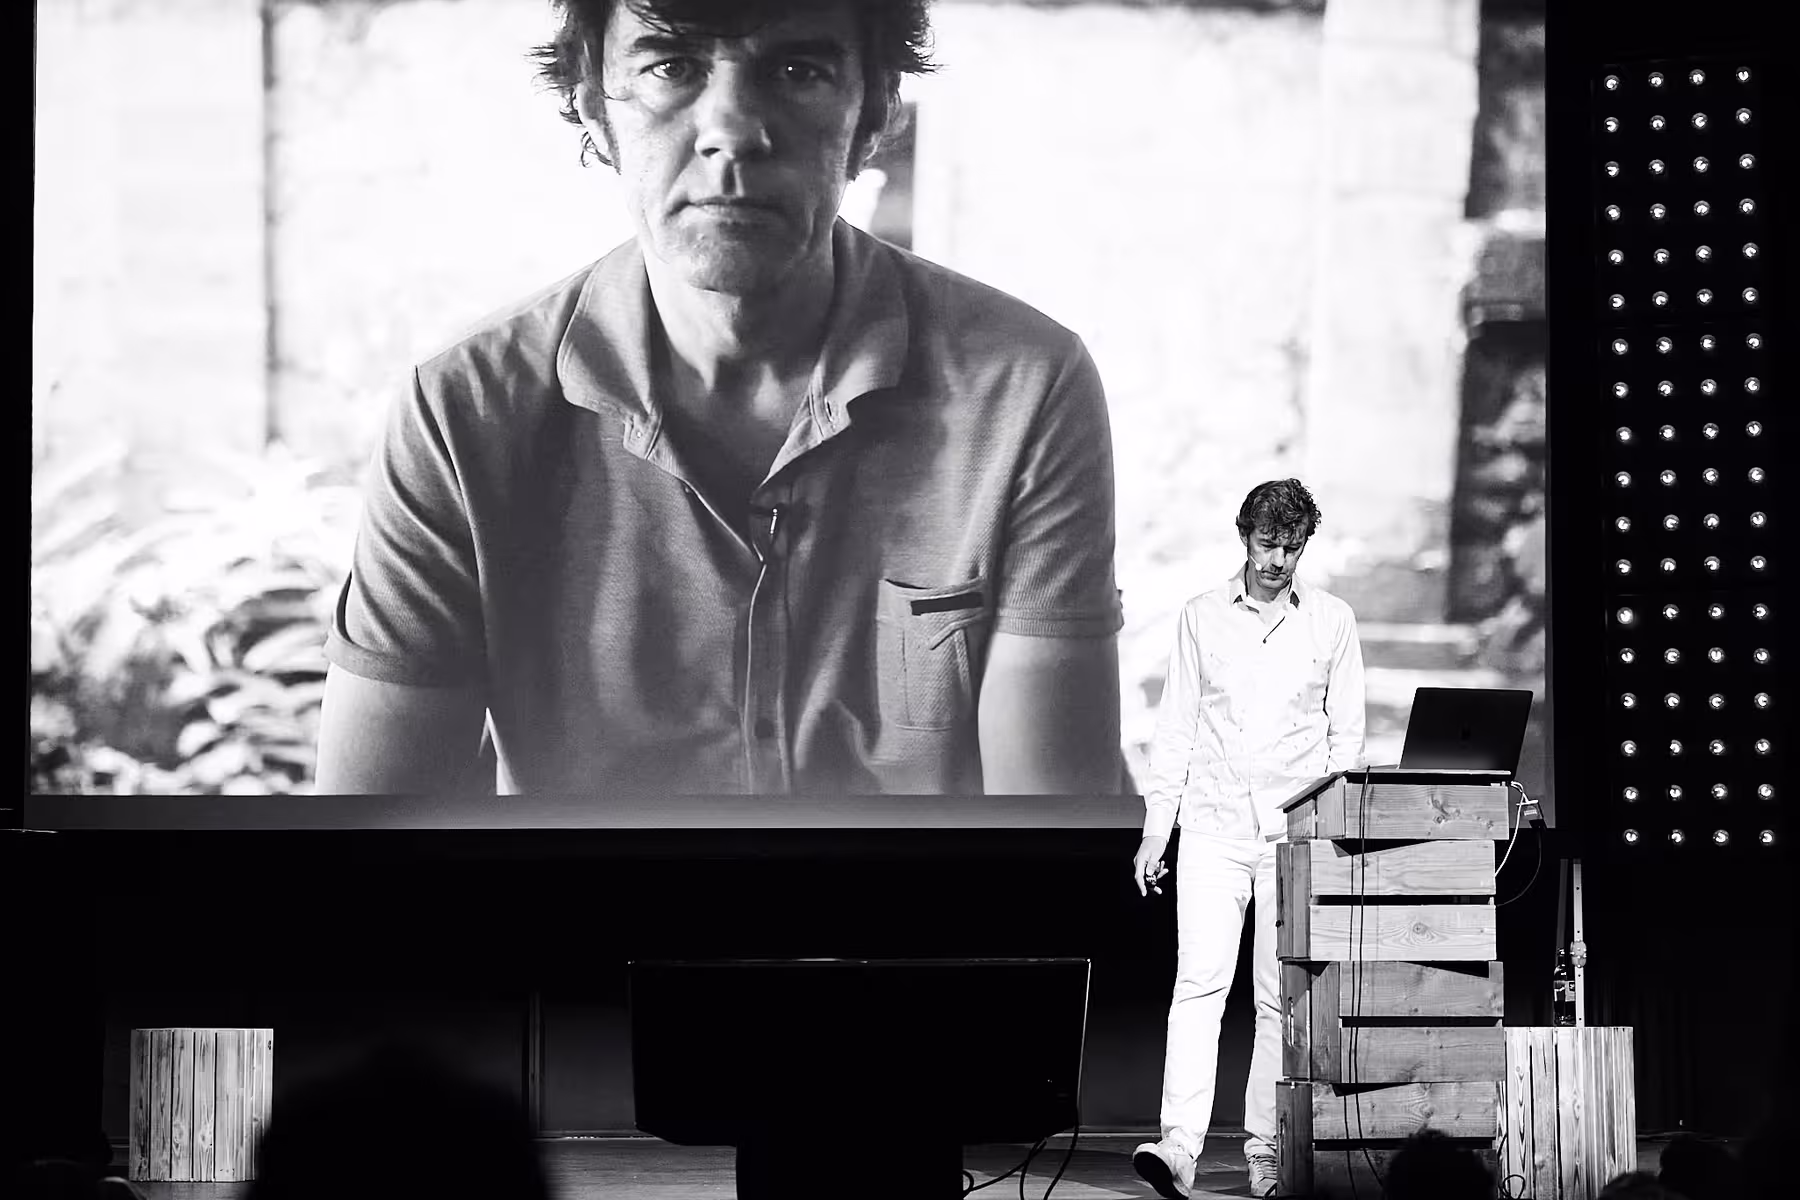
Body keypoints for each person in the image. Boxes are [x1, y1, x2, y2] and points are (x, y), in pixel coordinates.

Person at [314, 0, 1124, 796]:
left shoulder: (1022, 389)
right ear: (594, 103)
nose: (732, 130)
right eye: (672, 67)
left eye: (797, 70)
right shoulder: (463, 413)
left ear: (875, 108)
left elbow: (1049, 828)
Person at [1129, 479, 1366, 1199]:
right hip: (1212, 826)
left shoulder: (1331, 620)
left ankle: (1265, 1149)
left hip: (1292, 838)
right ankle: (1179, 1147)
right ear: (1244, 537)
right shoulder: (1201, 616)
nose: (1277, 561)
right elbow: (1176, 729)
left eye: (1291, 547)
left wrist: (1332, 836)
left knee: (1274, 998)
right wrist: (1156, 831)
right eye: (1267, 544)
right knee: (1198, 986)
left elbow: (1347, 742)